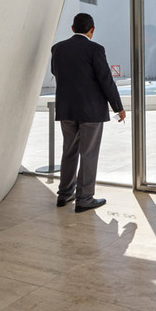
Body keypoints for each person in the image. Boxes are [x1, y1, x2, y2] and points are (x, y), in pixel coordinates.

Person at [51, 12, 126, 212]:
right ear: (92, 30)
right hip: (91, 111)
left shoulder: (57, 49)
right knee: (89, 153)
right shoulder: (95, 49)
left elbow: (55, 72)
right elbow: (105, 80)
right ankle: (84, 198)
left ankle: (64, 194)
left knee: (69, 151)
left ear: (73, 28)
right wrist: (118, 107)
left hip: (66, 109)